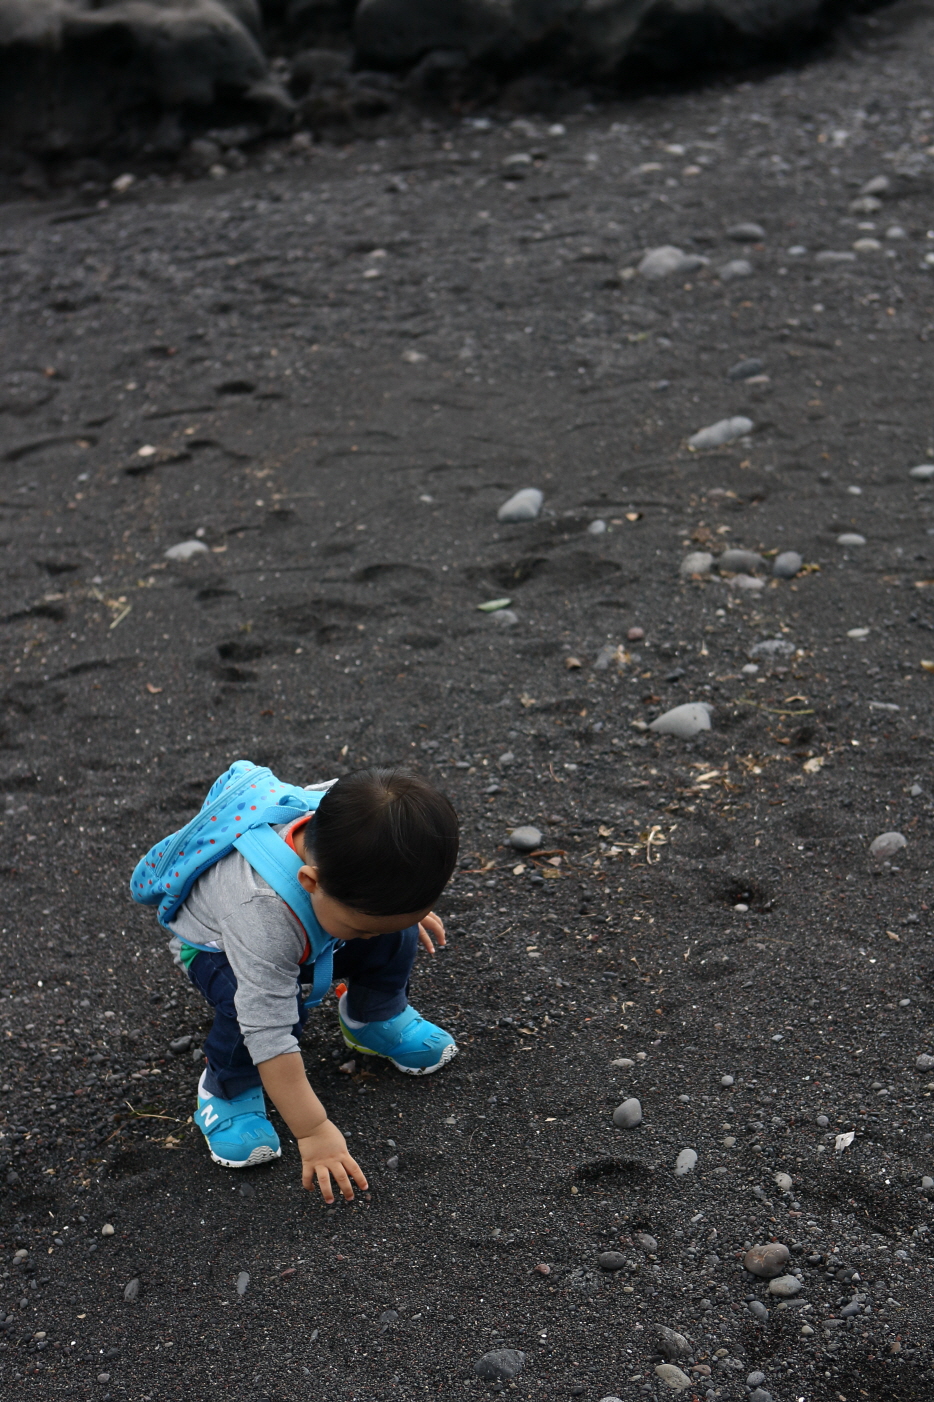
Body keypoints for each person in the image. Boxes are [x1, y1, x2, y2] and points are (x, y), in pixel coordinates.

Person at [165, 768, 459, 1202]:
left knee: (395, 936)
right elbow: (268, 1029)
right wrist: (314, 1130)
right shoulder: (260, 910)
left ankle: (373, 1017)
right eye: (361, 926)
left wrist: (402, 915)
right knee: (256, 1010)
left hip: (308, 929)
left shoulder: (354, 841)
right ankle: (227, 1088)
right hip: (219, 948)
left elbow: (378, 898)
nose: (368, 933)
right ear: (310, 882)